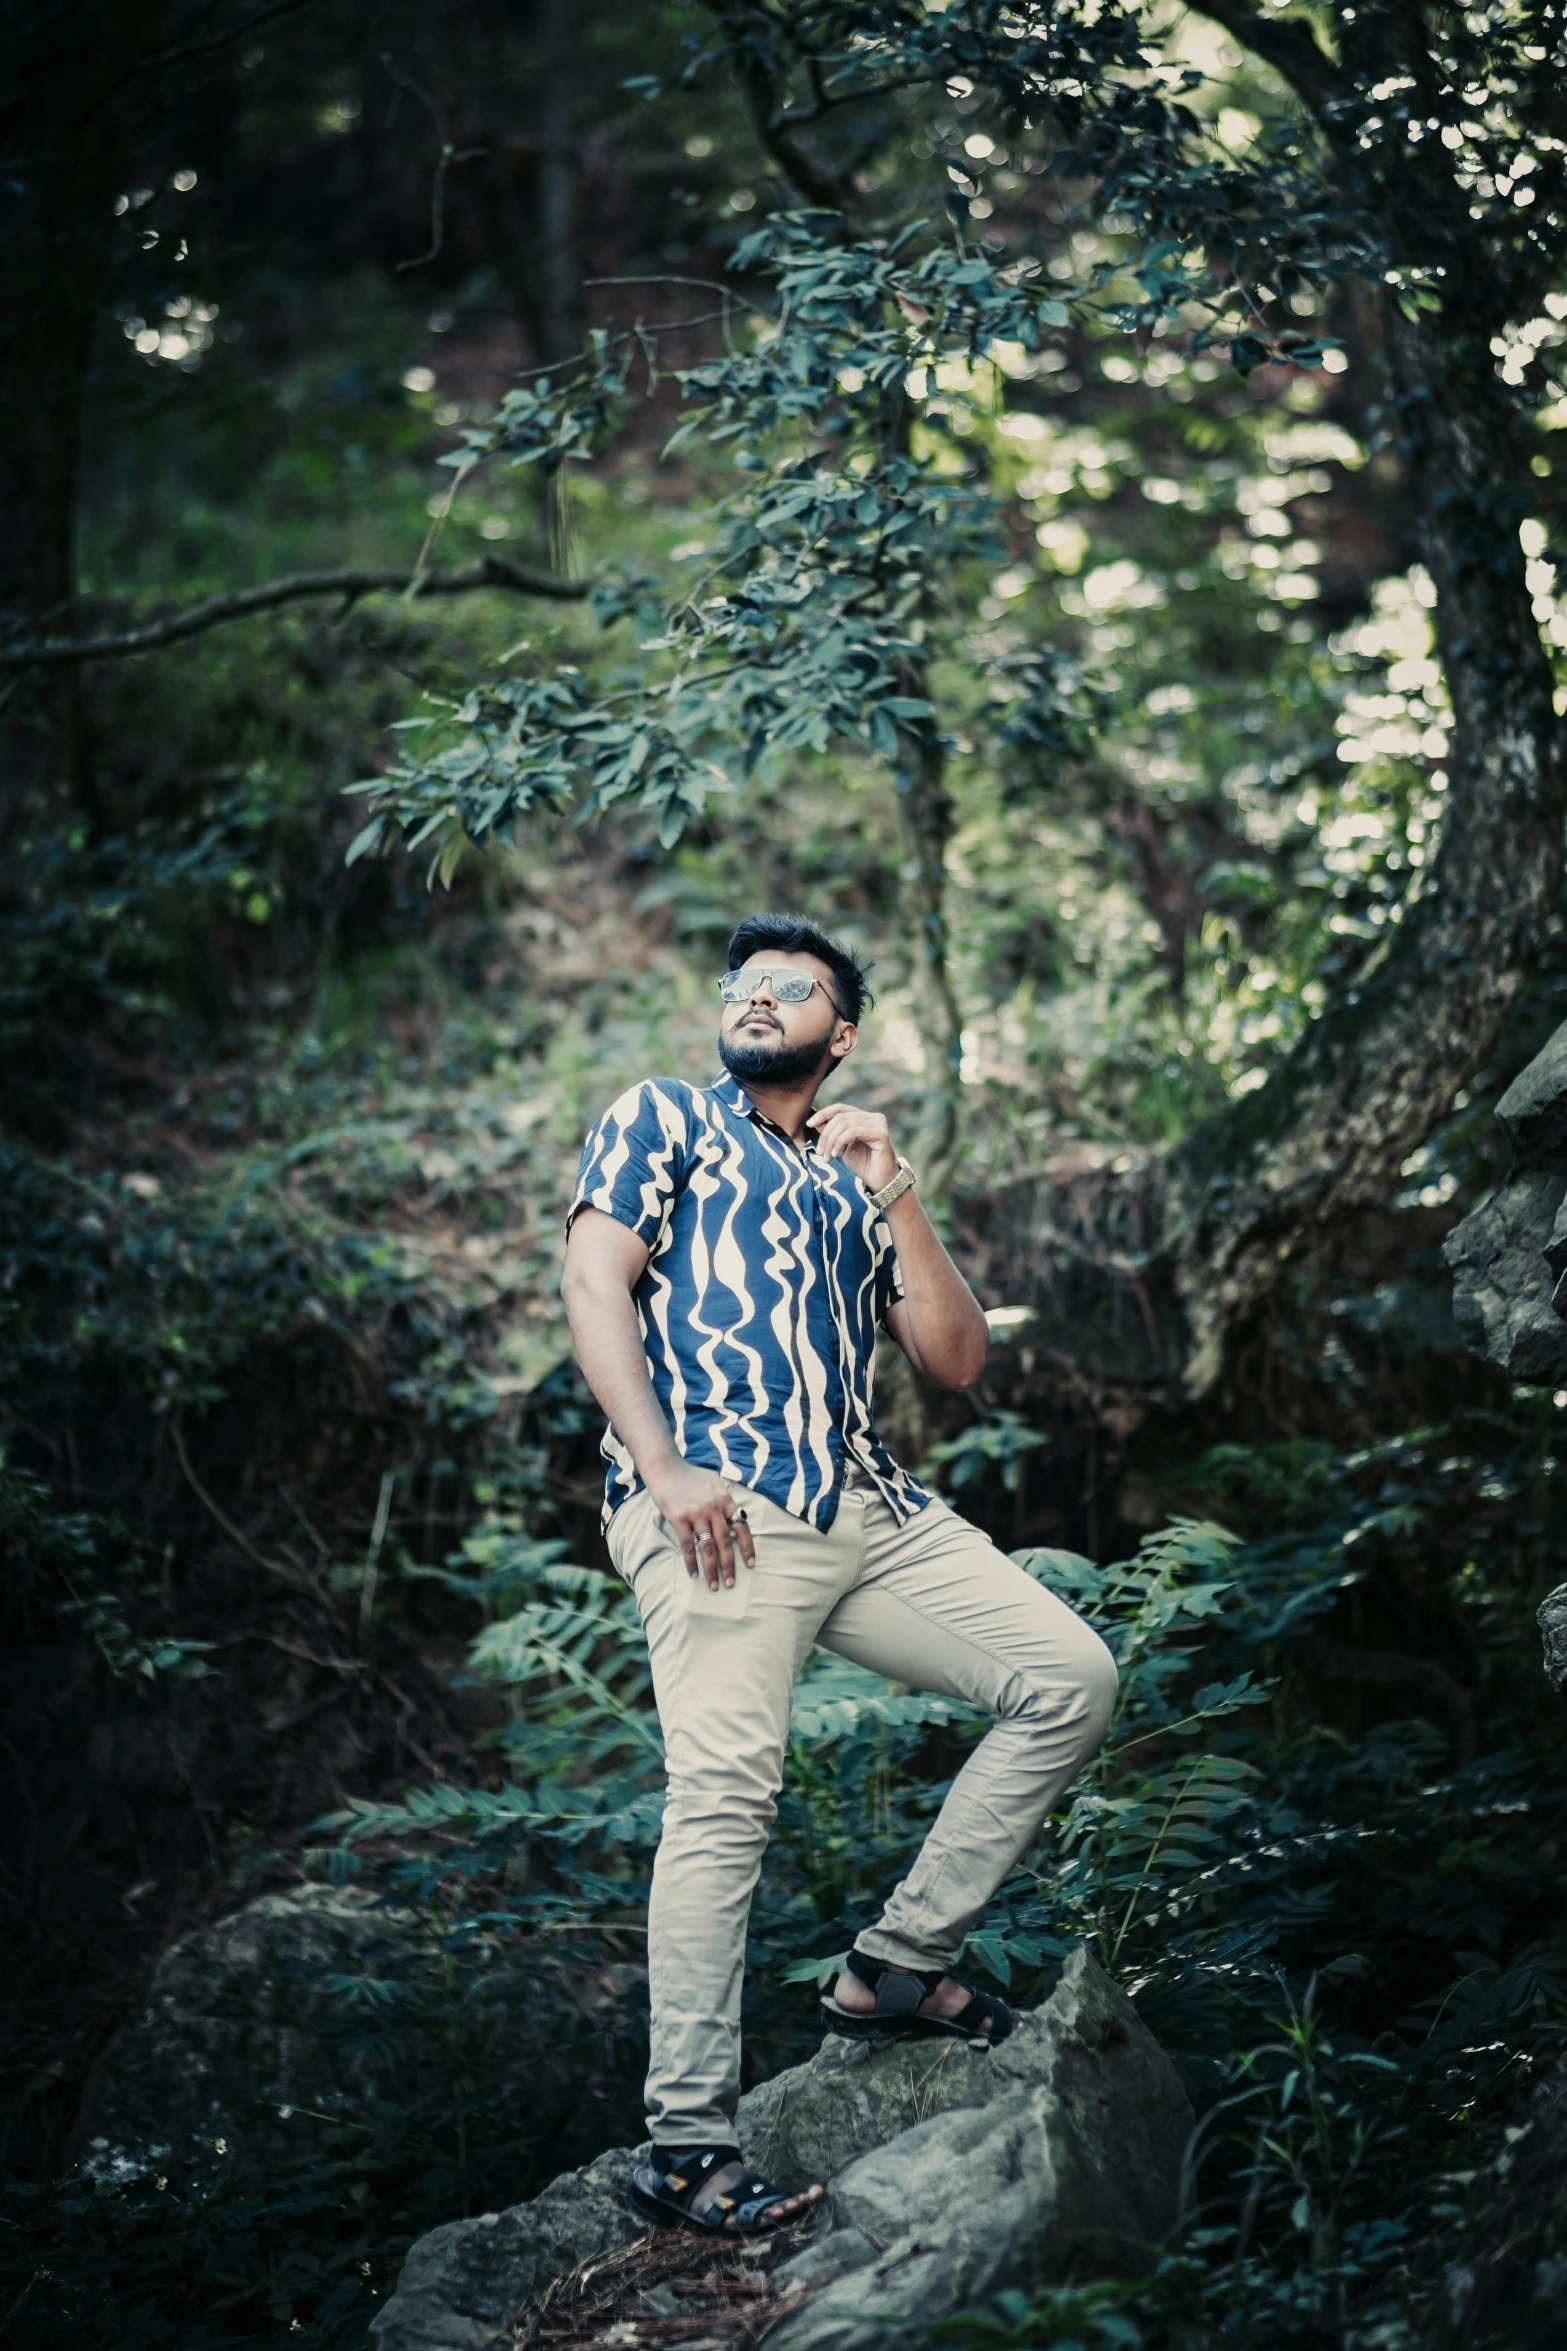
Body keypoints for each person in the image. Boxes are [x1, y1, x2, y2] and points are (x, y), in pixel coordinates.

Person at [561, 912, 1118, 2238]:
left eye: (789, 986)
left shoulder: (845, 1181)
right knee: (724, 1797)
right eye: (740, 984)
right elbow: (591, 1281)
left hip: (869, 1509)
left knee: (1068, 1676)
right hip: (721, 1509)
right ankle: (686, 2139)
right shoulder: (666, 1122)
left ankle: (895, 1964)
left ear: (842, 1031)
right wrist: (662, 1464)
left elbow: (956, 1359)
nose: (755, 998)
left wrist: (893, 1181)